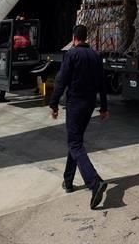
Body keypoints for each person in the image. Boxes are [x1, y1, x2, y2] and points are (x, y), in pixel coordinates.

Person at [49, 24, 109, 210]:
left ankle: (94, 182)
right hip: (90, 105)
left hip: (75, 104)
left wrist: (53, 103)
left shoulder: (72, 55)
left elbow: (61, 80)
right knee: (75, 142)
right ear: (86, 37)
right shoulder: (95, 55)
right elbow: (102, 83)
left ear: (74, 38)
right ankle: (68, 181)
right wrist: (104, 107)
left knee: (74, 144)